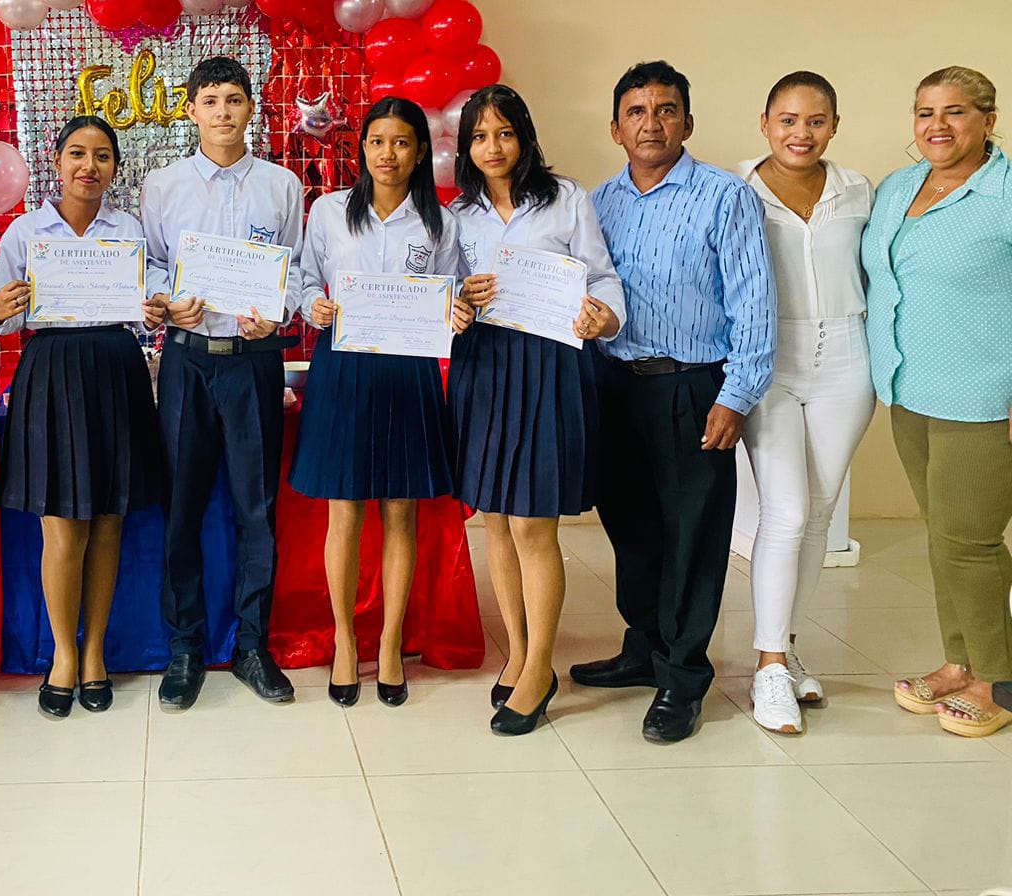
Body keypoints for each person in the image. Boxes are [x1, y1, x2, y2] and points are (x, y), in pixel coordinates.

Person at [571, 60, 776, 745]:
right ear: (616, 128)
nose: (651, 123)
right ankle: (645, 647)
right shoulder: (598, 203)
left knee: (693, 535)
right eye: (636, 111)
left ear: (688, 122)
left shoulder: (725, 197)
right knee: (631, 527)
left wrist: (736, 395)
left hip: (694, 386)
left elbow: (753, 301)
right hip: (615, 384)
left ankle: (684, 676)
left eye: (665, 110)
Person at [445, 85, 625, 736]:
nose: (492, 147)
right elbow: (444, 291)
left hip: (549, 363)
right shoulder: (458, 214)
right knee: (495, 519)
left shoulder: (567, 198)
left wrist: (604, 315)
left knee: (532, 524)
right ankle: (520, 655)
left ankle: (541, 668)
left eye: (504, 133)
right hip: (485, 365)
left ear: (524, 137)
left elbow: (602, 277)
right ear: (466, 147)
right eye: (479, 136)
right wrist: (457, 301)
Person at [0, 115, 168, 719]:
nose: (89, 166)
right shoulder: (24, 232)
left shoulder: (129, 230)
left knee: (109, 520)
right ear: (57, 161)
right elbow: (3, 321)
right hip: (52, 369)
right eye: (77, 154)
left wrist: (154, 307)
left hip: (115, 368)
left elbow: (146, 310)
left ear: (115, 167)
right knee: (63, 524)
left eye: (102, 156)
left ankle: (95, 655)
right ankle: (65, 654)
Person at [290, 97, 464, 709]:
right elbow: (303, 278)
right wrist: (312, 304)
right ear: (362, 149)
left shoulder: (441, 224)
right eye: (377, 142)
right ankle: (344, 640)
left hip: (409, 371)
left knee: (400, 512)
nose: (388, 154)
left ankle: (389, 644)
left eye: (401, 142)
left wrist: (457, 310)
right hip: (343, 366)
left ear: (420, 152)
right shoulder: (329, 211)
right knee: (344, 511)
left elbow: (452, 293)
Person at [142, 55, 303, 710]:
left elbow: (294, 269)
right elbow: (153, 264)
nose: (223, 112)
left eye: (234, 99)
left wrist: (279, 311)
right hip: (186, 360)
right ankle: (185, 646)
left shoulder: (281, 185)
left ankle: (252, 646)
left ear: (250, 108)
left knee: (256, 507)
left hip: (253, 361)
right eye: (209, 101)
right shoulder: (163, 185)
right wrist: (166, 301)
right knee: (181, 505)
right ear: (192, 111)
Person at [863, 66, 1012, 739]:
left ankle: (998, 679)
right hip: (909, 388)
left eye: (955, 112)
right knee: (945, 537)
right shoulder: (899, 188)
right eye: (926, 112)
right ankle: (961, 661)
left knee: (971, 542)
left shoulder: (1004, 192)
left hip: (982, 395)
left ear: (988, 119)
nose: (938, 125)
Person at [736, 71, 874, 736]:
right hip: (772, 359)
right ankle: (766, 668)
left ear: (834, 126)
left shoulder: (859, 189)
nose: (801, 133)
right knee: (786, 512)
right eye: (788, 120)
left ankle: (786, 647)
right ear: (765, 123)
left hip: (848, 359)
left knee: (818, 514)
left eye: (816, 121)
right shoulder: (736, 189)